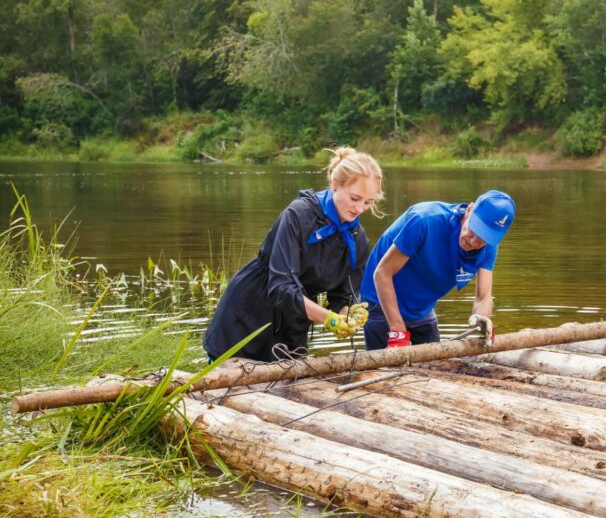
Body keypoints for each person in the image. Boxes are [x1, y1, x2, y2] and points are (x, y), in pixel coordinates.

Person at [203, 147, 383, 361]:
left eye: (368, 202)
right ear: (335, 184)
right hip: (249, 314)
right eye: (355, 198)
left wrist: (346, 314)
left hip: (293, 323)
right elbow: (282, 287)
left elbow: (343, 294)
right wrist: (328, 319)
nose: (360, 208)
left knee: (287, 389)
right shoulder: (298, 215)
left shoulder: (357, 238)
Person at [361, 189, 516, 350]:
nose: (474, 241)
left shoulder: (489, 246)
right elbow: (382, 273)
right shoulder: (425, 220)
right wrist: (398, 331)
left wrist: (482, 319)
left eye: (484, 238)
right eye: (475, 229)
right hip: (381, 301)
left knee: (433, 367)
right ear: (469, 210)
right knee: (382, 370)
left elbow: (483, 296)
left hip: (421, 308)